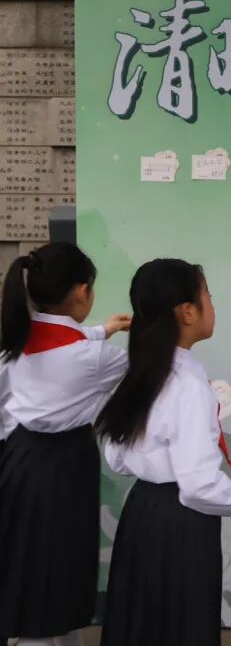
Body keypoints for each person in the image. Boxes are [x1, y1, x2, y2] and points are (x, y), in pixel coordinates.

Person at [95, 259, 231, 646]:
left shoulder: (140, 370)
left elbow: (116, 457)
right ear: (188, 312)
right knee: (180, 626)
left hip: (142, 512)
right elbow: (198, 488)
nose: (213, 305)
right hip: (182, 524)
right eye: (208, 296)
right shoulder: (188, 386)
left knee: (142, 626)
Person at [0, 243, 130, 646]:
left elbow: (62, 344)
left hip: (20, 459)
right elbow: (146, 366)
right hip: (63, 468)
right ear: (81, 291)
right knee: (57, 576)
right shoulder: (94, 358)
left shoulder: (15, 341)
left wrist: (103, 330)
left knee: (32, 571)